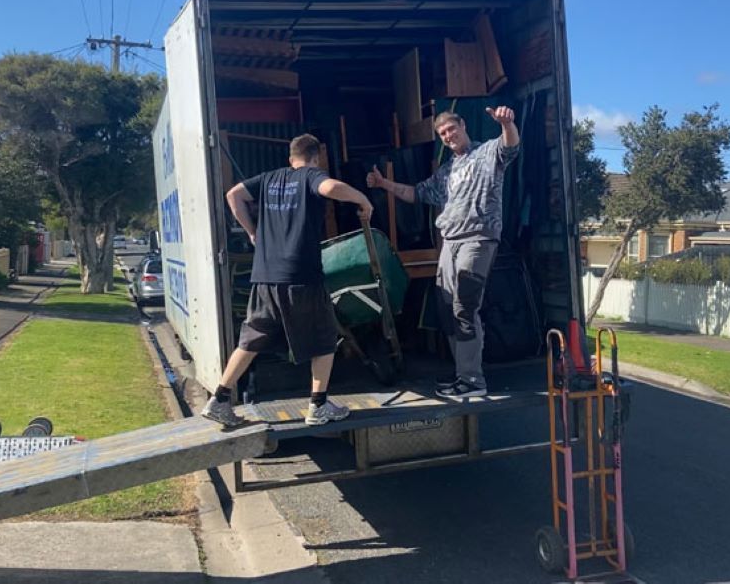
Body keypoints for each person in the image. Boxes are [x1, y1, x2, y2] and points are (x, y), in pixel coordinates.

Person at [202, 134, 374, 427]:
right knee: (324, 338)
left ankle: (219, 398)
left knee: (252, 337)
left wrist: (253, 232)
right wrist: (363, 199)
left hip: (265, 276)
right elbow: (330, 187)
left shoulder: (270, 179)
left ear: (290, 158)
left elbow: (233, 195)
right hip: (300, 275)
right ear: (316, 157)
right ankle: (317, 406)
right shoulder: (311, 176)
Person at [366, 107, 520, 399]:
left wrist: (507, 124)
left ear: (462, 125)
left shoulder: (487, 153)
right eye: (443, 134)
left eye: (451, 129)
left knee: (465, 306)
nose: (448, 136)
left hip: (477, 240)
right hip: (449, 244)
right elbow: (416, 194)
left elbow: (509, 146)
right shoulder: (447, 171)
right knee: (447, 310)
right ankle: (463, 374)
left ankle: (474, 380)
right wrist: (384, 184)